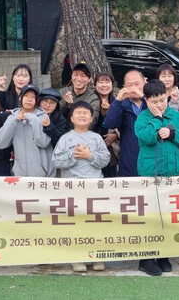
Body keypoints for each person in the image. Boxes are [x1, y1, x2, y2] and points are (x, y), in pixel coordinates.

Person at [135, 79, 179, 276]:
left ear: (167, 97)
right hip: (150, 176)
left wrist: (172, 133)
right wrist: (156, 119)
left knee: (167, 217)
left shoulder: (176, 116)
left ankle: (163, 254)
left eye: (162, 100)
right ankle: (146, 258)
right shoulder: (142, 118)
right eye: (154, 102)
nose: (159, 105)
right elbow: (145, 136)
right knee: (150, 217)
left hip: (172, 176)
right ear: (146, 101)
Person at [52, 101, 111, 273]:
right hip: (73, 187)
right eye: (78, 112)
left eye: (86, 113)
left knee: (96, 223)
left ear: (91, 118)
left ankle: (97, 256)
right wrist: (74, 155)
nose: (82, 115)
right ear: (71, 117)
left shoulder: (97, 138)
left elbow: (105, 159)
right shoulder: (65, 138)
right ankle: (77, 257)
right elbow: (56, 161)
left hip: (95, 186)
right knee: (76, 223)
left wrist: (90, 155)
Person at [0, 84, 54, 177]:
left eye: (33, 97)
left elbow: (43, 143)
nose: (29, 99)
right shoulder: (12, 117)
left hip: (41, 175)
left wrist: (33, 118)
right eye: (26, 96)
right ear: (20, 98)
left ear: (37, 100)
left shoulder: (43, 117)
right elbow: (0, 143)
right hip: (20, 175)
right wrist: (14, 121)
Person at [103, 69, 147, 177]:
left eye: (137, 84)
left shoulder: (151, 102)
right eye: (129, 85)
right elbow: (109, 123)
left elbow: (159, 113)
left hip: (151, 159)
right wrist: (118, 100)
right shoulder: (122, 105)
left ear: (144, 82)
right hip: (128, 157)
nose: (133, 88)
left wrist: (143, 97)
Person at [93, 72, 119, 177]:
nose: (104, 85)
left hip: (111, 149)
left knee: (110, 178)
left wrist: (116, 135)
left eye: (107, 81)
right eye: (100, 82)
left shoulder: (117, 102)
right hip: (93, 147)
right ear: (95, 85)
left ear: (112, 84)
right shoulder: (91, 101)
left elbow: (124, 124)